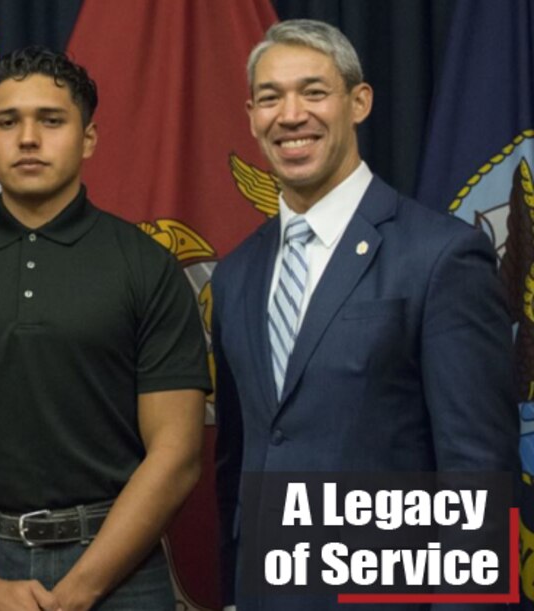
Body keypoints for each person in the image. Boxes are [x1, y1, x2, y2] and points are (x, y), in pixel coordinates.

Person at [0, 46, 210, 611]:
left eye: (51, 121)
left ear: (88, 139)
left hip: (118, 568)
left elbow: (176, 452)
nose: (28, 138)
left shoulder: (148, 267)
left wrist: (81, 589)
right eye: (8, 122)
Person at [212, 20, 517, 610]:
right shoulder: (236, 275)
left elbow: (478, 470)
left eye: (314, 92)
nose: (291, 114)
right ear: (251, 116)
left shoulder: (440, 256)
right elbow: (239, 460)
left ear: (359, 102)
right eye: (271, 98)